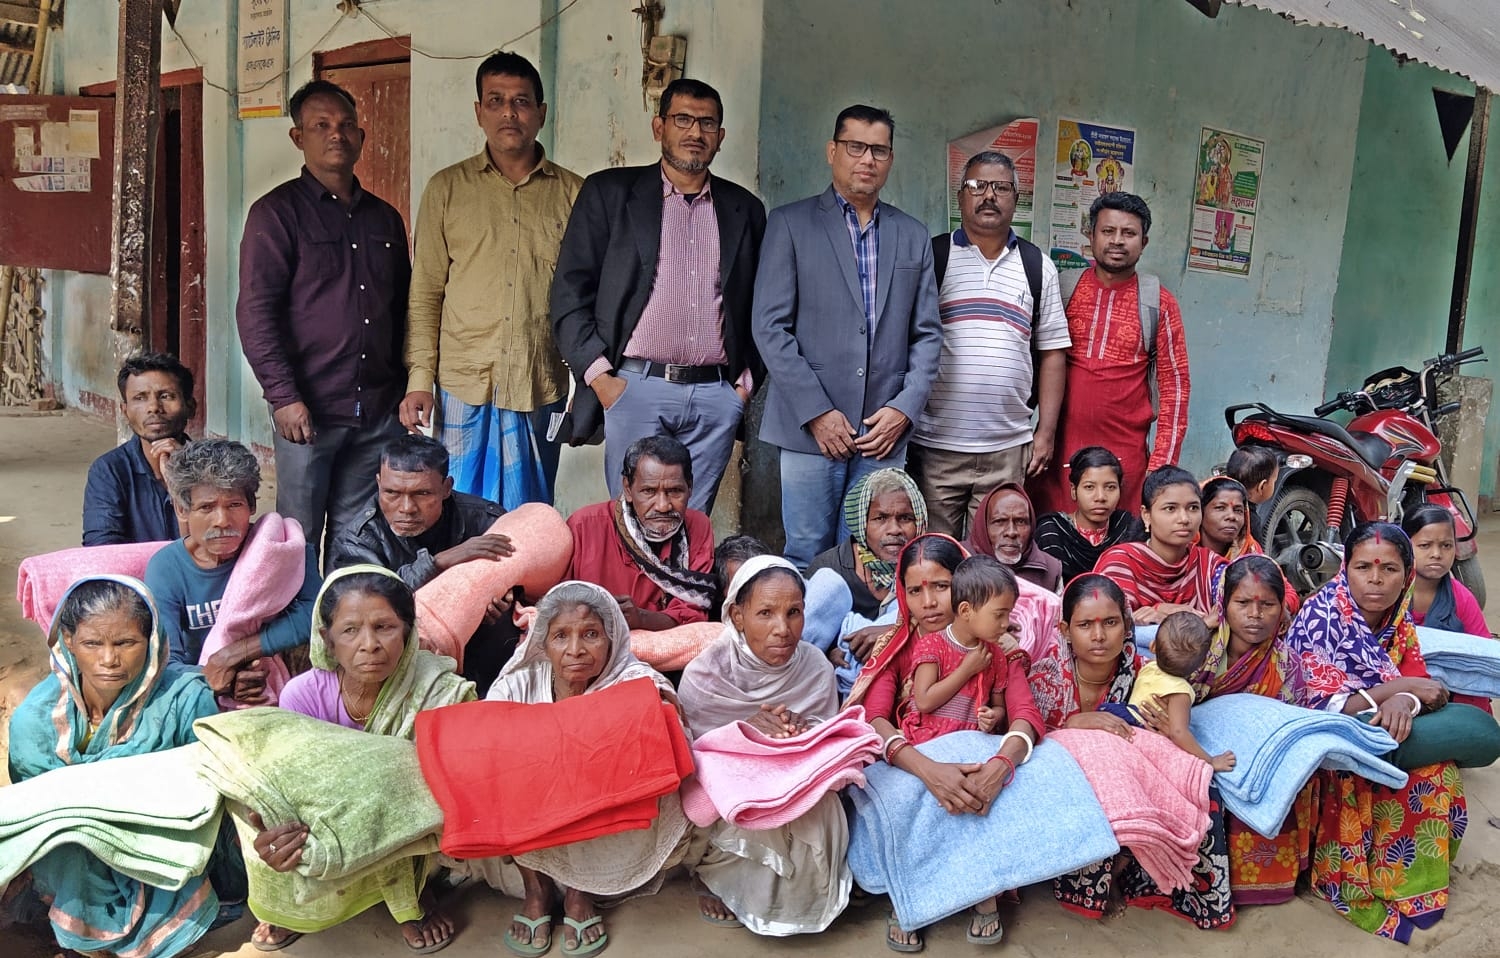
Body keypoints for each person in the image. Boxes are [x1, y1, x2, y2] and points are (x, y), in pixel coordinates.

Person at [551, 77, 766, 513]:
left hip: (714, 397)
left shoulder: (744, 209)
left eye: (707, 123)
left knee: (693, 525)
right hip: (634, 388)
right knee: (635, 521)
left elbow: (764, 304)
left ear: (721, 136)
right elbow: (569, 292)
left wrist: (741, 389)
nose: (695, 132)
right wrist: (602, 379)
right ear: (658, 127)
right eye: (682, 119)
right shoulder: (609, 193)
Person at [1283, 522, 1500, 941]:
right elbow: (1318, 705)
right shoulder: (1321, 618)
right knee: (1369, 773)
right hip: (1332, 749)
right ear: (1346, 569)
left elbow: (1424, 686)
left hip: (1389, 731)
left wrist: (1405, 701)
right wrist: (1396, 690)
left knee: (1437, 775)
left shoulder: (1398, 620)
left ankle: (1414, 890)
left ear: (1406, 575)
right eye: (1363, 567)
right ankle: (1358, 878)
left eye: (1389, 569)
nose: (1376, 580)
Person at [7, 577, 242, 958]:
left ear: (150, 640)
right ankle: (85, 935)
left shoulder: (185, 699)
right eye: (92, 643)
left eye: (125, 643)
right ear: (67, 640)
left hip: (159, 840)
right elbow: (36, 811)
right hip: (74, 858)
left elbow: (208, 790)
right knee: (65, 837)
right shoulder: (35, 722)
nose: (109, 659)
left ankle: (164, 925)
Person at [247, 566, 475, 952]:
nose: (369, 644)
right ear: (327, 640)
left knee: (407, 784)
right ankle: (294, 902)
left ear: (408, 632)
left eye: (384, 627)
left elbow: (447, 781)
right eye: (350, 630)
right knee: (261, 809)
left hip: (406, 821)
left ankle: (413, 895)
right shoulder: (303, 695)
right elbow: (297, 780)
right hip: (329, 814)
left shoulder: (437, 690)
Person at [752, 104, 942, 568]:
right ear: (832, 151)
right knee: (808, 552)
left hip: (883, 430)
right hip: (810, 428)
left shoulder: (912, 234)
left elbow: (927, 334)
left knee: (874, 556)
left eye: (879, 150)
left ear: (890, 159)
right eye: (856, 147)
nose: (867, 159)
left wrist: (904, 408)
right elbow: (769, 326)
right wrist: (817, 412)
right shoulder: (791, 224)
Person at [402, 53, 583, 510]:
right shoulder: (447, 189)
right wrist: (419, 378)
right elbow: (425, 293)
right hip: (462, 385)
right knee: (456, 510)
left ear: (542, 112)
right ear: (478, 111)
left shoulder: (574, 194)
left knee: (529, 517)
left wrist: (588, 384)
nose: (509, 113)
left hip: (537, 382)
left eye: (521, 101)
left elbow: (585, 299)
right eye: (496, 101)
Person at [843, 534, 1040, 949]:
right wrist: (929, 771)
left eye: (941, 586)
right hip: (914, 755)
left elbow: (1024, 715)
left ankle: (981, 889)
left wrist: (998, 768)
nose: (929, 603)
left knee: (1011, 781)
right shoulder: (897, 646)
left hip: (976, 759)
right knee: (901, 793)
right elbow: (875, 718)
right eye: (915, 590)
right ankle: (911, 894)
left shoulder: (997, 647)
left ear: (965, 591)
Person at [237, 79, 409, 554]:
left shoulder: (385, 219)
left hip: (377, 410)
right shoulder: (276, 215)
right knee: (299, 537)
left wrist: (407, 387)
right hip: (307, 411)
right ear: (298, 137)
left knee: (359, 536)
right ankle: (297, 607)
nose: (336, 134)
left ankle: (343, 605)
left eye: (346, 125)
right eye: (321, 125)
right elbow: (255, 312)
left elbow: (404, 309)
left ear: (361, 137)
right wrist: (283, 396)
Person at [482, 581, 687, 957]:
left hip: (603, 810)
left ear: (611, 639)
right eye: (561, 636)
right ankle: (537, 888)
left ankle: (581, 891)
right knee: (501, 761)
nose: (575, 649)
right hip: (537, 813)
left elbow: (670, 732)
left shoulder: (635, 681)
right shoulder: (519, 682)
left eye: (591, 634)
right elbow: (487, 741)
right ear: (543, 644)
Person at [1028, 574, 1234, 930]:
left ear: (1126, 625)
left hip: (1129, 781)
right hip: (1062, 782)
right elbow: (1023, 736)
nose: (1098, 635)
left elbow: (1165, 735)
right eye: (1085, 625)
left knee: (1199, 780)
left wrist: (1165, 733)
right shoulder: (1045, 677)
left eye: (1110, 623)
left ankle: (1160, 881)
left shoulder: (1145, 673)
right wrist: (1074, 724)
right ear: (1065, 630)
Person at [679, 556, 850, 936]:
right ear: (737, 617)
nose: (783, 629)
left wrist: (804, 731)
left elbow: (829, 739)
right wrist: (743, 732)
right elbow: (692, 755)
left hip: (793, 780)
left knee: (819, 805)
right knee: (729, 799)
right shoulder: (707, 673)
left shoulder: (815, 668)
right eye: (765, 613)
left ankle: (793, 902)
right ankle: (711, 874)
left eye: (794, 613)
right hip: (730, 789)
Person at [909, 152, 1069, 538]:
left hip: (1007, 448)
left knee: (996, 556)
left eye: (1001, 187)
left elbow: (1052, 354)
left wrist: (1045, 433)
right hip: (936, 446)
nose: (989, 196)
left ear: (1017, 198)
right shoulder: (933, 258)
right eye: (977, 186)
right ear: (960, 197)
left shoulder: (1037, 266)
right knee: (935, 552)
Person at [1035, 192, 1190, 516]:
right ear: (1090, 235)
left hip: (1126, 467)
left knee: (1119, 543)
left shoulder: (1159, 304)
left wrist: (1160, 470)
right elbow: (1032, 365)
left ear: (1143, 242)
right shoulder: (1062, 290)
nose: (1117, 240)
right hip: (1058, 457)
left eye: (1128, 233)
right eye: (1108, 231)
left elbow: (1175, 390)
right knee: (1053, 537)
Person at [330, 433, 520, 694]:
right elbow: (372, 604)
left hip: (482, 653)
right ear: (379, 483)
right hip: (397, 658)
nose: (406, 508)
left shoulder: (485, 520)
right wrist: (438, 562)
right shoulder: (358, 539)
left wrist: (506, 600)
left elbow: (528, 580)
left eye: (422, 493)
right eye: (392, 493)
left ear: (446, 488)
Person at [145, 439, 321, 703]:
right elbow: (166, 662)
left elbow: (317, 613)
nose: (222, 521)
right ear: (182, 510)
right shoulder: (166, 568)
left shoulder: (280, 549)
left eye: (234, 505)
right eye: (206, 507)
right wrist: (222, 682)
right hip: (201, 689)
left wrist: (238, 652)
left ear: (252, 506)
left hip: (283, 685)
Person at [1188, 555, 1313, 906]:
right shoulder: (1198, 651)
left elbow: (1292, 723)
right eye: (1243, 603)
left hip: (1260, 758)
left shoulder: (1286, 663)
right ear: (1223, 605)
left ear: (1282, 610)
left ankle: (1276, 880)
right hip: (1200, 749)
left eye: (1267, 605)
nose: (1255, 614)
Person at [565, 436, 715, 630]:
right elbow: (556, 605)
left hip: (665, 644)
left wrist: (643, 619)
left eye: (675, 491)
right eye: (648, 491)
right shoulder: (583, 527)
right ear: (628, 489)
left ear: (690, 488)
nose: (663, 506)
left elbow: (694, 613)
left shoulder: (698, 526)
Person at [903, 555, 1026, 749]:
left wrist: (993, 716)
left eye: (1008, 614)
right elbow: (924, 702)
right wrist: (966, 670)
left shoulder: (995, 655)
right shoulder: (933, 645)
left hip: (973, 743)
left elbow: (999, 706)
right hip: (928, 743)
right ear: (966, 611)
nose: (1005, 623)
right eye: (999, 615)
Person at [82, 353, 195, 546]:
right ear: (124, 411)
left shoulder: (215, 466)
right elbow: (101, 547)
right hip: (133, 567)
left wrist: (183, 474)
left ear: (191, 407)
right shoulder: (108, 470)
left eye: (166, 396)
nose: (154, 407)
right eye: (140, 398)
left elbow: (221, 542)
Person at [1094, 465, 1224, 625]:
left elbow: (1234, 615)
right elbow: (1104, 625)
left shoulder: (1209, 566)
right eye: (1170, 509)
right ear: (1146, 515)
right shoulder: (1120, 563)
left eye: (1193, 508)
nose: (1184, 519)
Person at [1115, 611, 1234, 771]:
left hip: (1121, 716)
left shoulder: (1148, 667)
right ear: (1203, 663)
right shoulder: (1181, 692)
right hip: (1143, 733)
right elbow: (1178, 733)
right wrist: (1210, 761)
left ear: (1152, 647)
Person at [806, 468, 925, 619]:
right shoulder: (829, 569)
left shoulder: (932, 568)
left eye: (905, 518)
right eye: (880, 518)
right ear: (861, 524)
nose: (894, 530)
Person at [1033, 446, 1145, 583]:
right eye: (1089, 487)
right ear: (1074, 490)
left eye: (1110, 487)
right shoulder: (1052, 531)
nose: (1100, 497)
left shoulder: (1127, 528)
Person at [1401, 504, 1488, 636]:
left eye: (1446, 545)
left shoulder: (1462, 599)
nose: (1436, 554)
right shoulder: (1389, 594)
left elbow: (1483, 646)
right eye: (1425, 545)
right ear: (1405, 547)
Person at [964, 483, 1063, 592]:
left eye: (1020, 522)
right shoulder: (958, 560)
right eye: (1000, 521)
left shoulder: (1051, 570)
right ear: (983, 526)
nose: (1011, 532)